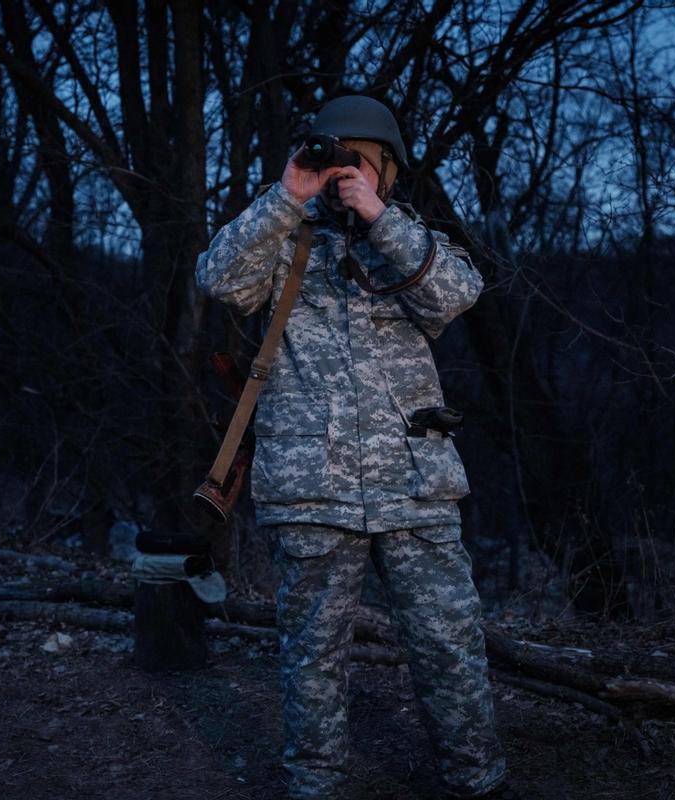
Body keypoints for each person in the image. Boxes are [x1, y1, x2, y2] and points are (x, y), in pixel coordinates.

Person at [195, 95, 517, 800]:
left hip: (416, 485)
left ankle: (478, 781)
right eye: (335, 157)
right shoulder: (283, 243)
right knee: (313, 657)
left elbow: (457, 295)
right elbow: (217, 278)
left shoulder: (410, 241)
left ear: (387, 171)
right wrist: (287, 196)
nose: (344, 171)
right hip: (311, 485)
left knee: (449, 647)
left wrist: (376, 216)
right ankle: (314, 786)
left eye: (359, 162)